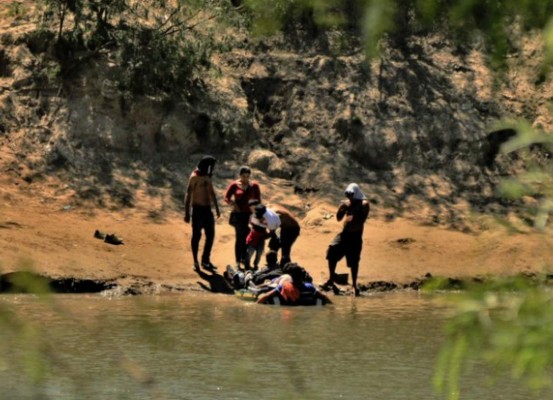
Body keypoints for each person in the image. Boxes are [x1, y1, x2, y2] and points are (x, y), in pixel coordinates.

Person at [323, 183, 370, 296]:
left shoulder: (364, 204)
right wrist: (342, 209)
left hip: (356, 236)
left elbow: (362, 218)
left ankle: (354, 284)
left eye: (351, 196)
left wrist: (350, 208)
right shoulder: (347, 203)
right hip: (344, 234)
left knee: (354, 261)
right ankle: (331, 278)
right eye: (348, 196)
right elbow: (339, 219)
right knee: (332, 249)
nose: (349, 198)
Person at [184, 156, 220, 271]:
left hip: (207, 210)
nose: (213, 169)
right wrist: (187, 213)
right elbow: (188, 195)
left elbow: (212, 192)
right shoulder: (194, 177)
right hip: (197, 211)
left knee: (210, 236)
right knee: (197, 236)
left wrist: (217, 208)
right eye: (212, 167)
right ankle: (195, 261)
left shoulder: (207, 176)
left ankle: (205, 260)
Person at [224, 166, 261, 269]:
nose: (246, 179)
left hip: (250, 216)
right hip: (239, 215)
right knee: (239, 238)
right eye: (244, 176)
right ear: (240, 175)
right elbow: (226, 198)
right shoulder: (234, 185)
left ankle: (245, 259)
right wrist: (233, 204)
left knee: (248, 238)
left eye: (248, 176)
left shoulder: (254, 186)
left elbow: (258, 201)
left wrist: (257, 214)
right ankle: (237, 261)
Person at [257, 262, 331, 305]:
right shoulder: (309, 287)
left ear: (291, 277)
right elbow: (323, 296)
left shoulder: (284, 286)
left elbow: (266, 296)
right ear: (302, 277)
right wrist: (333, 306)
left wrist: (255, 305)